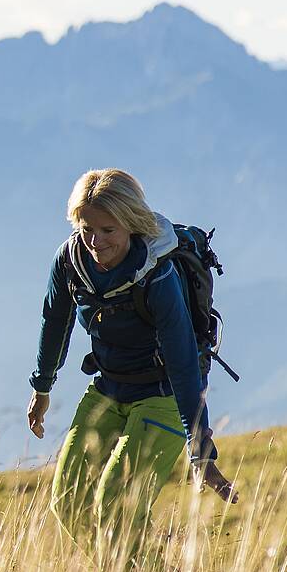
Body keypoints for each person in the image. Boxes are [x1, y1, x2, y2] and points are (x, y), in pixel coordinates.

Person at [27, 168, 237, 551]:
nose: (96, 241)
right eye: (87, 227)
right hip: (108, 388)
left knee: (116, 506)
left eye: (109, 230)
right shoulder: (70, 261)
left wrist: (200, 448)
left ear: (131, 223)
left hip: (162, 397)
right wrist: (43, 387)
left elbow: (183, 362)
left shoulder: (156, 275)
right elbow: (54, 320)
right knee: (68, 502)